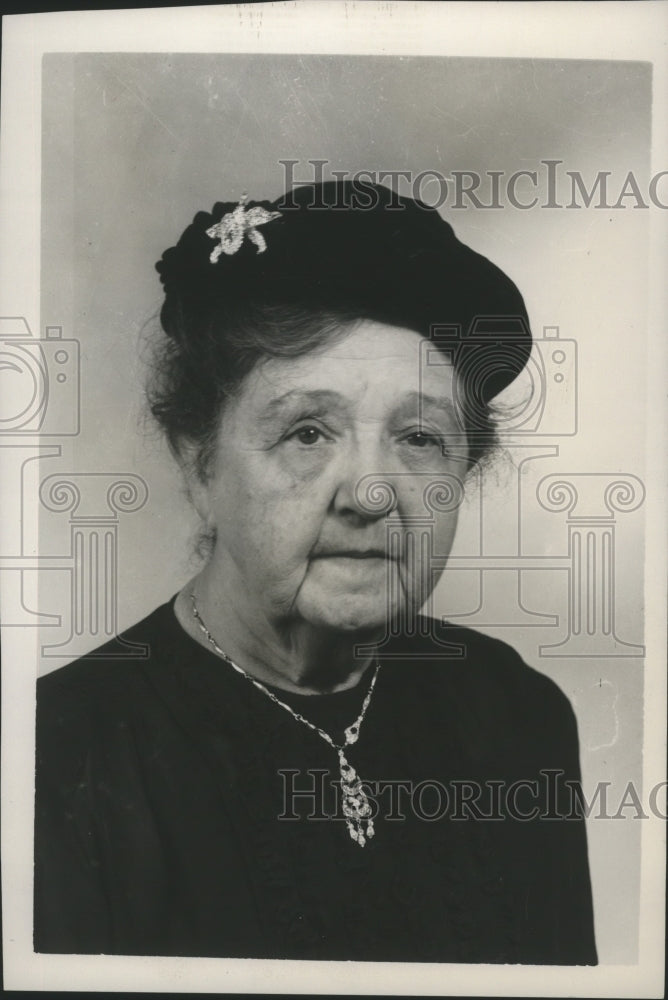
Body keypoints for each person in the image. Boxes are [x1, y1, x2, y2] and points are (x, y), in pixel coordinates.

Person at [34, 180, 597, 963]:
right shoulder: (58, 759)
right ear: (199, 466)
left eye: (421, 439)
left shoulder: (516, 714)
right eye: (306, 432)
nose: (371, 494)